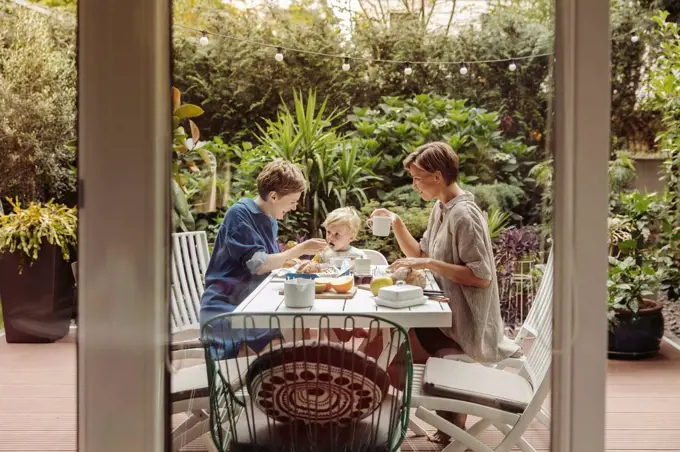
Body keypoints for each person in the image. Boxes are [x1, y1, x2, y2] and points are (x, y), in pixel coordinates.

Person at [370, 141, 520, 438]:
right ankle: (447, 424)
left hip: (468, 326)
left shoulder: (465, 215)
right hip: (447, 314)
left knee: (395, 353)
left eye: (417, 178)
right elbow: (420, 255)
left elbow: (482, 277)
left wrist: (431, 265)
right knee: (392, 342)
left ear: (437, 176)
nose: (414, 185)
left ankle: (452, 425)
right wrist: (397, 225)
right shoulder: (441, 208)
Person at [200, 159, 327, 358]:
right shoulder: (239, 214)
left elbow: (270, 261)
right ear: (274, 196)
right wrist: (300, 249)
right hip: (227, 307)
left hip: (253, 302)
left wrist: (292, 262)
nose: (294, 208)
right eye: (292, 201)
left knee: (302, 329)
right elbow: (259, 265)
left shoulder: (269, 218)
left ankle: (292, 384)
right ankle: (274, 383)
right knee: (290, 339)